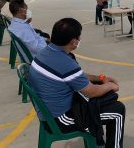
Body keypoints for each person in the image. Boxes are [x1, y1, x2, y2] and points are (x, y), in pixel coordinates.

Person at [29, 18, 125, 147]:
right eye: (78, 38)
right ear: (74, 41)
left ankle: (98, 140)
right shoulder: (65, 62)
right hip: (60, 119)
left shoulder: (46, 52)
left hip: (49, 110)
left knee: (102, 100)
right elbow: (91, 92)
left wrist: (100, 79)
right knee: (117, 110)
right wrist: (110, 85)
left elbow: (74, 76)